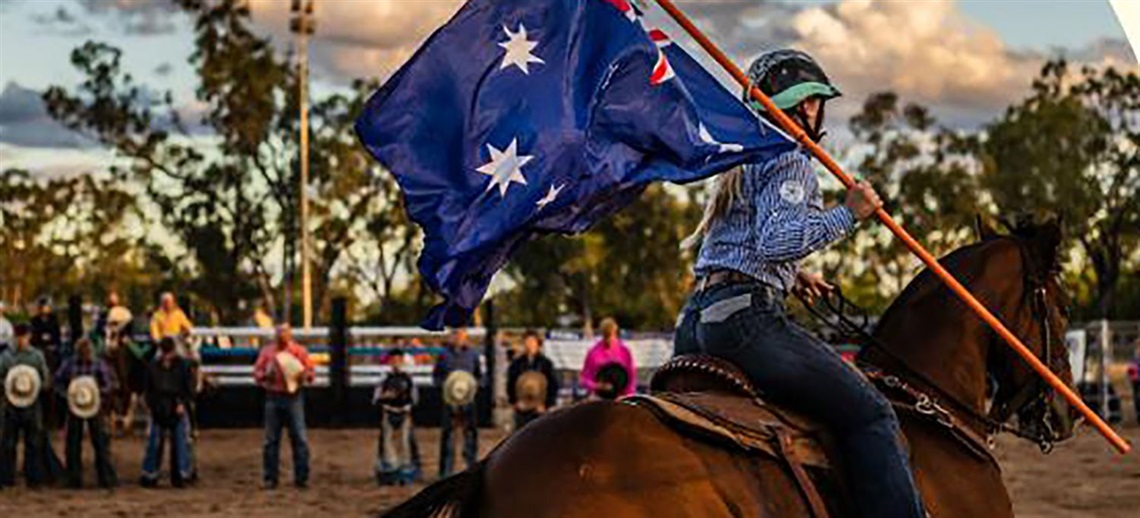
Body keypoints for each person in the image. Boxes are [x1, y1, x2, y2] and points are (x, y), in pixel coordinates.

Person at [672, 49, 923, 517]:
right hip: (744, 322)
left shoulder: (745, 155)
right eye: (813, 101)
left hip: (696, 320)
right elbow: (775, 240)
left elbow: (740, 244)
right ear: (806, 105)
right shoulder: (790, 154)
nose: (815, 110)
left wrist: (792, 276)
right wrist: (851, 213)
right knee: (870, 415)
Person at [253, 324, 315, 489]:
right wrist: (266, 376)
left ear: (290, 335)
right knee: (271, 440)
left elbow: (310, 372)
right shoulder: (268, 352)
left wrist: (304, 375)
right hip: (274, 396)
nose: (282, 336)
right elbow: (257, 373)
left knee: (298, 439)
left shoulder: (298, 351)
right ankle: (271, 478)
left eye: (285, 333)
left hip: (292, 396)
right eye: (280, 333)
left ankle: (301, 478)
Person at [54, 338, 117, 489]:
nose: (85, 355)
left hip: (94, 407)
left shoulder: (98, 364)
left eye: (87, 352)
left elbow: (108, 384)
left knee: (100, 442)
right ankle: (74, 478)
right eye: (82, 353)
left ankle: (105, 477)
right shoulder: (70, 363)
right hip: (75, 405)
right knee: (73, 443)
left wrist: (96, 393)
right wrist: (69, 395)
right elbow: (57, 382)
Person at [0, 324, 51, 488]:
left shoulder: (37, 356)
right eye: (19, 336)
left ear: (29, 337)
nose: (21, 340)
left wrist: (36, 386)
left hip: (32, 404)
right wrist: (7, 385)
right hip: (10, 404)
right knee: (8, 442)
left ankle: (33, 477)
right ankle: (7, 478)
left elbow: (46, 379)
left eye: (24, 336)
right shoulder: (6, 357)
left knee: (33, 442)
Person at [140, 337, 194, 488]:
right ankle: (150, 474)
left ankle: (182, 473)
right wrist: (150, 405)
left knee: (181, 441)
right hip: (158, 405)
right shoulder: (153, 367)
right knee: (154, 441)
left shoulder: (182, 366)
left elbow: (189, 387)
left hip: (176, 404)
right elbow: (148, 389)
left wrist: (182, 403)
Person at [432, 327, 482, 477]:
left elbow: (479, 375)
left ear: (466, 336)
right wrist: (445, 388)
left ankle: (471, 469)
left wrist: (473, 388)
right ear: (451, 337)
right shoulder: (443, 355)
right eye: (456, 334)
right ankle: (445, 473)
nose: (459, 337)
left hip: (469, 400)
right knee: (448, 435)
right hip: (449, 401)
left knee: (470, 435)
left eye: (462, 334)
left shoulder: (473, 354)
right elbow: (436, 376)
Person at [373, 350, 421, 485]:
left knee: (405, 443)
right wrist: (385, 397)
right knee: (388, 443)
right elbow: (376, 398)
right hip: (388, 411)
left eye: (398, 360)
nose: (396, 363)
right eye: (393, 360)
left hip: (404, 412)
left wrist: (406, 403)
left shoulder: (408, 378)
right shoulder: (384, 378)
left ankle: (405, 470)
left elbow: (414, 398)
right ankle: (390, 470)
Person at [507, 329, 559, 429]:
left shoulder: (546, 363)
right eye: (527, 342)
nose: (530, 345)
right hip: (522, 407)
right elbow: (510, 382)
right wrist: (514, 402)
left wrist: (547, 404)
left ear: (538, 344)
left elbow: (553, 384)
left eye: (532, 342)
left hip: (540, 407)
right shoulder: (517, 363)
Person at [579, 318, 636, 399]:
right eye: (605, 335)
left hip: (621, 396)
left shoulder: (625, 351)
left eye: (610, 335)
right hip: (598, 396)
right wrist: (598, 386)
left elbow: (631, 377)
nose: (608, 339)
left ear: (615, 333)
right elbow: (585, 379)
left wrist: (628, 395)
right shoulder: (593, 352)